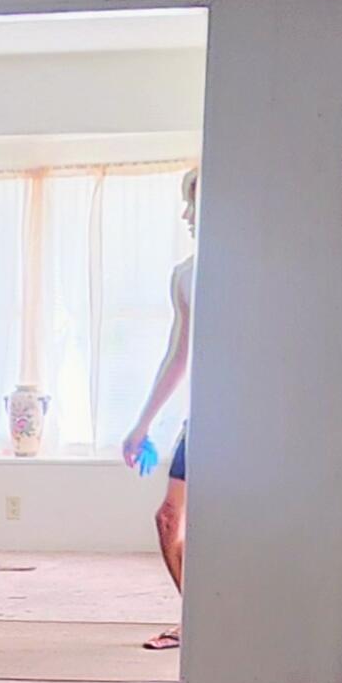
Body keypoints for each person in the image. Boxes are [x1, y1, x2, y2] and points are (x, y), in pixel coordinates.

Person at [120, 166, 197, 646]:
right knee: (168, 520)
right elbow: (177, 356)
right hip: (201, 424)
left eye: (194, 202)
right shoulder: (185, 276)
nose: (186, 214)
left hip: (247, 427)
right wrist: (141, 425)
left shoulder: (260, 264)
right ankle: (199, 621)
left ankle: (208, 626)